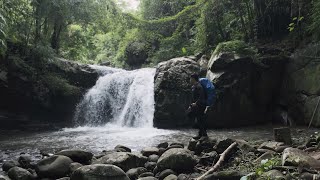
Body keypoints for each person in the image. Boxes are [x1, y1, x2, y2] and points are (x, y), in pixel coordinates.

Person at [188, 73, 208, 139]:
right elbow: (193, 97)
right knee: (198, 119)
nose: (190, 80)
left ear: (193, 79)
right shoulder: (193, 87)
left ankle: (204, 135)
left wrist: (196, 103)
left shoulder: (199, 86)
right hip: (196, 106)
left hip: (201, 105)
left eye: (191, 78)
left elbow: (201, 96)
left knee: (200, 119)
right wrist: (190, 105)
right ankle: (200, 134)